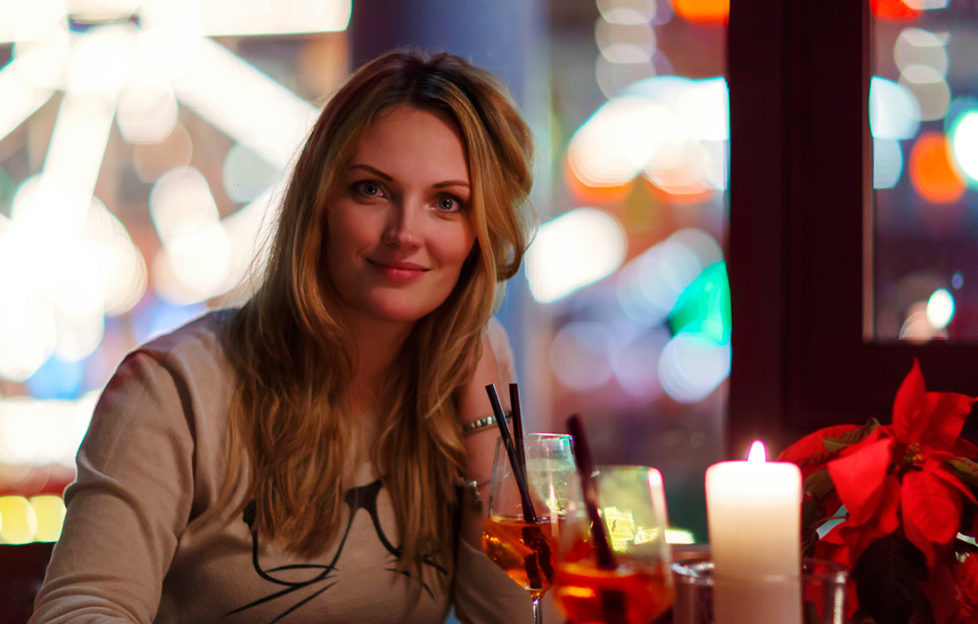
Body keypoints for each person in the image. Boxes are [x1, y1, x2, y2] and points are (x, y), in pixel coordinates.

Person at [30, 49, 541, 623]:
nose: (404, 233)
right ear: (318, 202)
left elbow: (517, 617)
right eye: (372, 190)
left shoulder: (477, 364)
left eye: (447, 203)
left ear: (481, 231)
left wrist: (481, 433)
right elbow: (80, 609)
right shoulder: (173, 388)